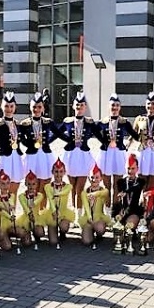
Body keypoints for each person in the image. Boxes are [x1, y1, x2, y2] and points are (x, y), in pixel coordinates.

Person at [59, 91, 98, 220]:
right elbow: (57, 133)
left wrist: (108, 143)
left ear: (85, 107)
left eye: (81, 105)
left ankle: (79, 215)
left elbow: (99, 134)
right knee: (72, 187)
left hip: (83, 156)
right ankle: (75, 212)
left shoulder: (89, 122)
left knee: (80, 187)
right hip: (70, 155)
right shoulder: (68, 121)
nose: (79, 107)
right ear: (73, 106)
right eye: (77, 105)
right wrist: (68, 140)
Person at [96, 94, 137, 208]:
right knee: (106, 184)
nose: (115, 107)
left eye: (117, 105)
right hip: (105, 153)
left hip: (119, 153)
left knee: (118, 184)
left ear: (120, 107)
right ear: (109, 106)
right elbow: (94, 132)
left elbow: (135, 134)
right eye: (113, 105)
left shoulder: (124, 122)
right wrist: (104, 142)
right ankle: (107, 208)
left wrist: (130, 142)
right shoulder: (103, 122)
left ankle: (115, 209)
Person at [20, 91, 60, 205]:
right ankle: (32, 211)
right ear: (30, 107)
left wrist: (47, 142)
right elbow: (21, 138)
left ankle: (42, 211)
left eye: (39, 107)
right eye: (34, 107)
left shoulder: (48, 122)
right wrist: (30, 144)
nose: (36, 109)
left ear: (43, 108)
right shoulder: (24, 124)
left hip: (45, 156)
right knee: (32, 186)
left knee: (45, 187)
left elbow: (58, 133)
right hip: (31, 156)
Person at [0, 91, 26, 198]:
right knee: (4, 187)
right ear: (1, 106)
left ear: (15, 107)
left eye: (11, 106)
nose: (9, 109)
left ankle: (12, 208)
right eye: (6, 106)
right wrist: (2, 145)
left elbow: (22, 139)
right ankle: (4, 208)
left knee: (15, 187)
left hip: (16, 158)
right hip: (4, 158)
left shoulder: (18, 124)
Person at [0, 170, 29, 252]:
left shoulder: (11, 195)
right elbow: (1, 211)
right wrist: (9, 215)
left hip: (11, 223)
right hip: (1, 224)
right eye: (3, 184)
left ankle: (8, 236)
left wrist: (12, 210)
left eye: (7, 183)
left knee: (25, 238)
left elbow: (12, 204)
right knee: (8, 247)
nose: (5, 186)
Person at [43, 158, 76, 247]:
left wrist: (57, 193)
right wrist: (54, 211)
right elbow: (50, 199)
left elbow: (64, 192)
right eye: (56, 171)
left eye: (61, 171)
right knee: (53, 242)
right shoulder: (47, 187)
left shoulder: (68, 186)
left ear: (64, 172)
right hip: (52, 214)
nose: (58, 174)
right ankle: (52, 229)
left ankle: (62, 232)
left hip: (63, 213)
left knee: (64, 227)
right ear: (52, 172)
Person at [79, 165, 111, 247]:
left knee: (100, 229)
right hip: (88, 219)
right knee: (86, 242)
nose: (94, 180)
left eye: (97, 177)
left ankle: (99, 235)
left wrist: (94, 194)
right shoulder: (84, 192)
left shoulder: (103, 191)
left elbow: (105, 193)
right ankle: (90, 232)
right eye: (92, 177)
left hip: (99, 218)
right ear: (88, 178)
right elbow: (86, 207)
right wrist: (90, 218)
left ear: (101, 178)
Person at [112, 154, 146, 231]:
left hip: (134, 211)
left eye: (133, 168)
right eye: (128, 168)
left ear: (137, 169)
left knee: (130, 226)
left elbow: (136, 187)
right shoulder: (121, 181)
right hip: (122, 210)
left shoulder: (140, 181)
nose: (130, 171)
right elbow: (118, 198)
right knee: (118, 229)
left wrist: (126, 191)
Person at [17, 171, 47, 246]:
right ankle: (26, 235)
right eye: (29, 184)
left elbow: (36, 202)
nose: (31, 186)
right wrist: (29, 213)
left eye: (33, 184)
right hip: (26, 218)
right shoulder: (21, 196)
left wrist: (32, 203)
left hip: (36, 218)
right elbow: (25, 206)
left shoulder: (39, 195)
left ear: (37, 184)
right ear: (25, 184)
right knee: (27, 243)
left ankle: (35, 234)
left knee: (40, 233)